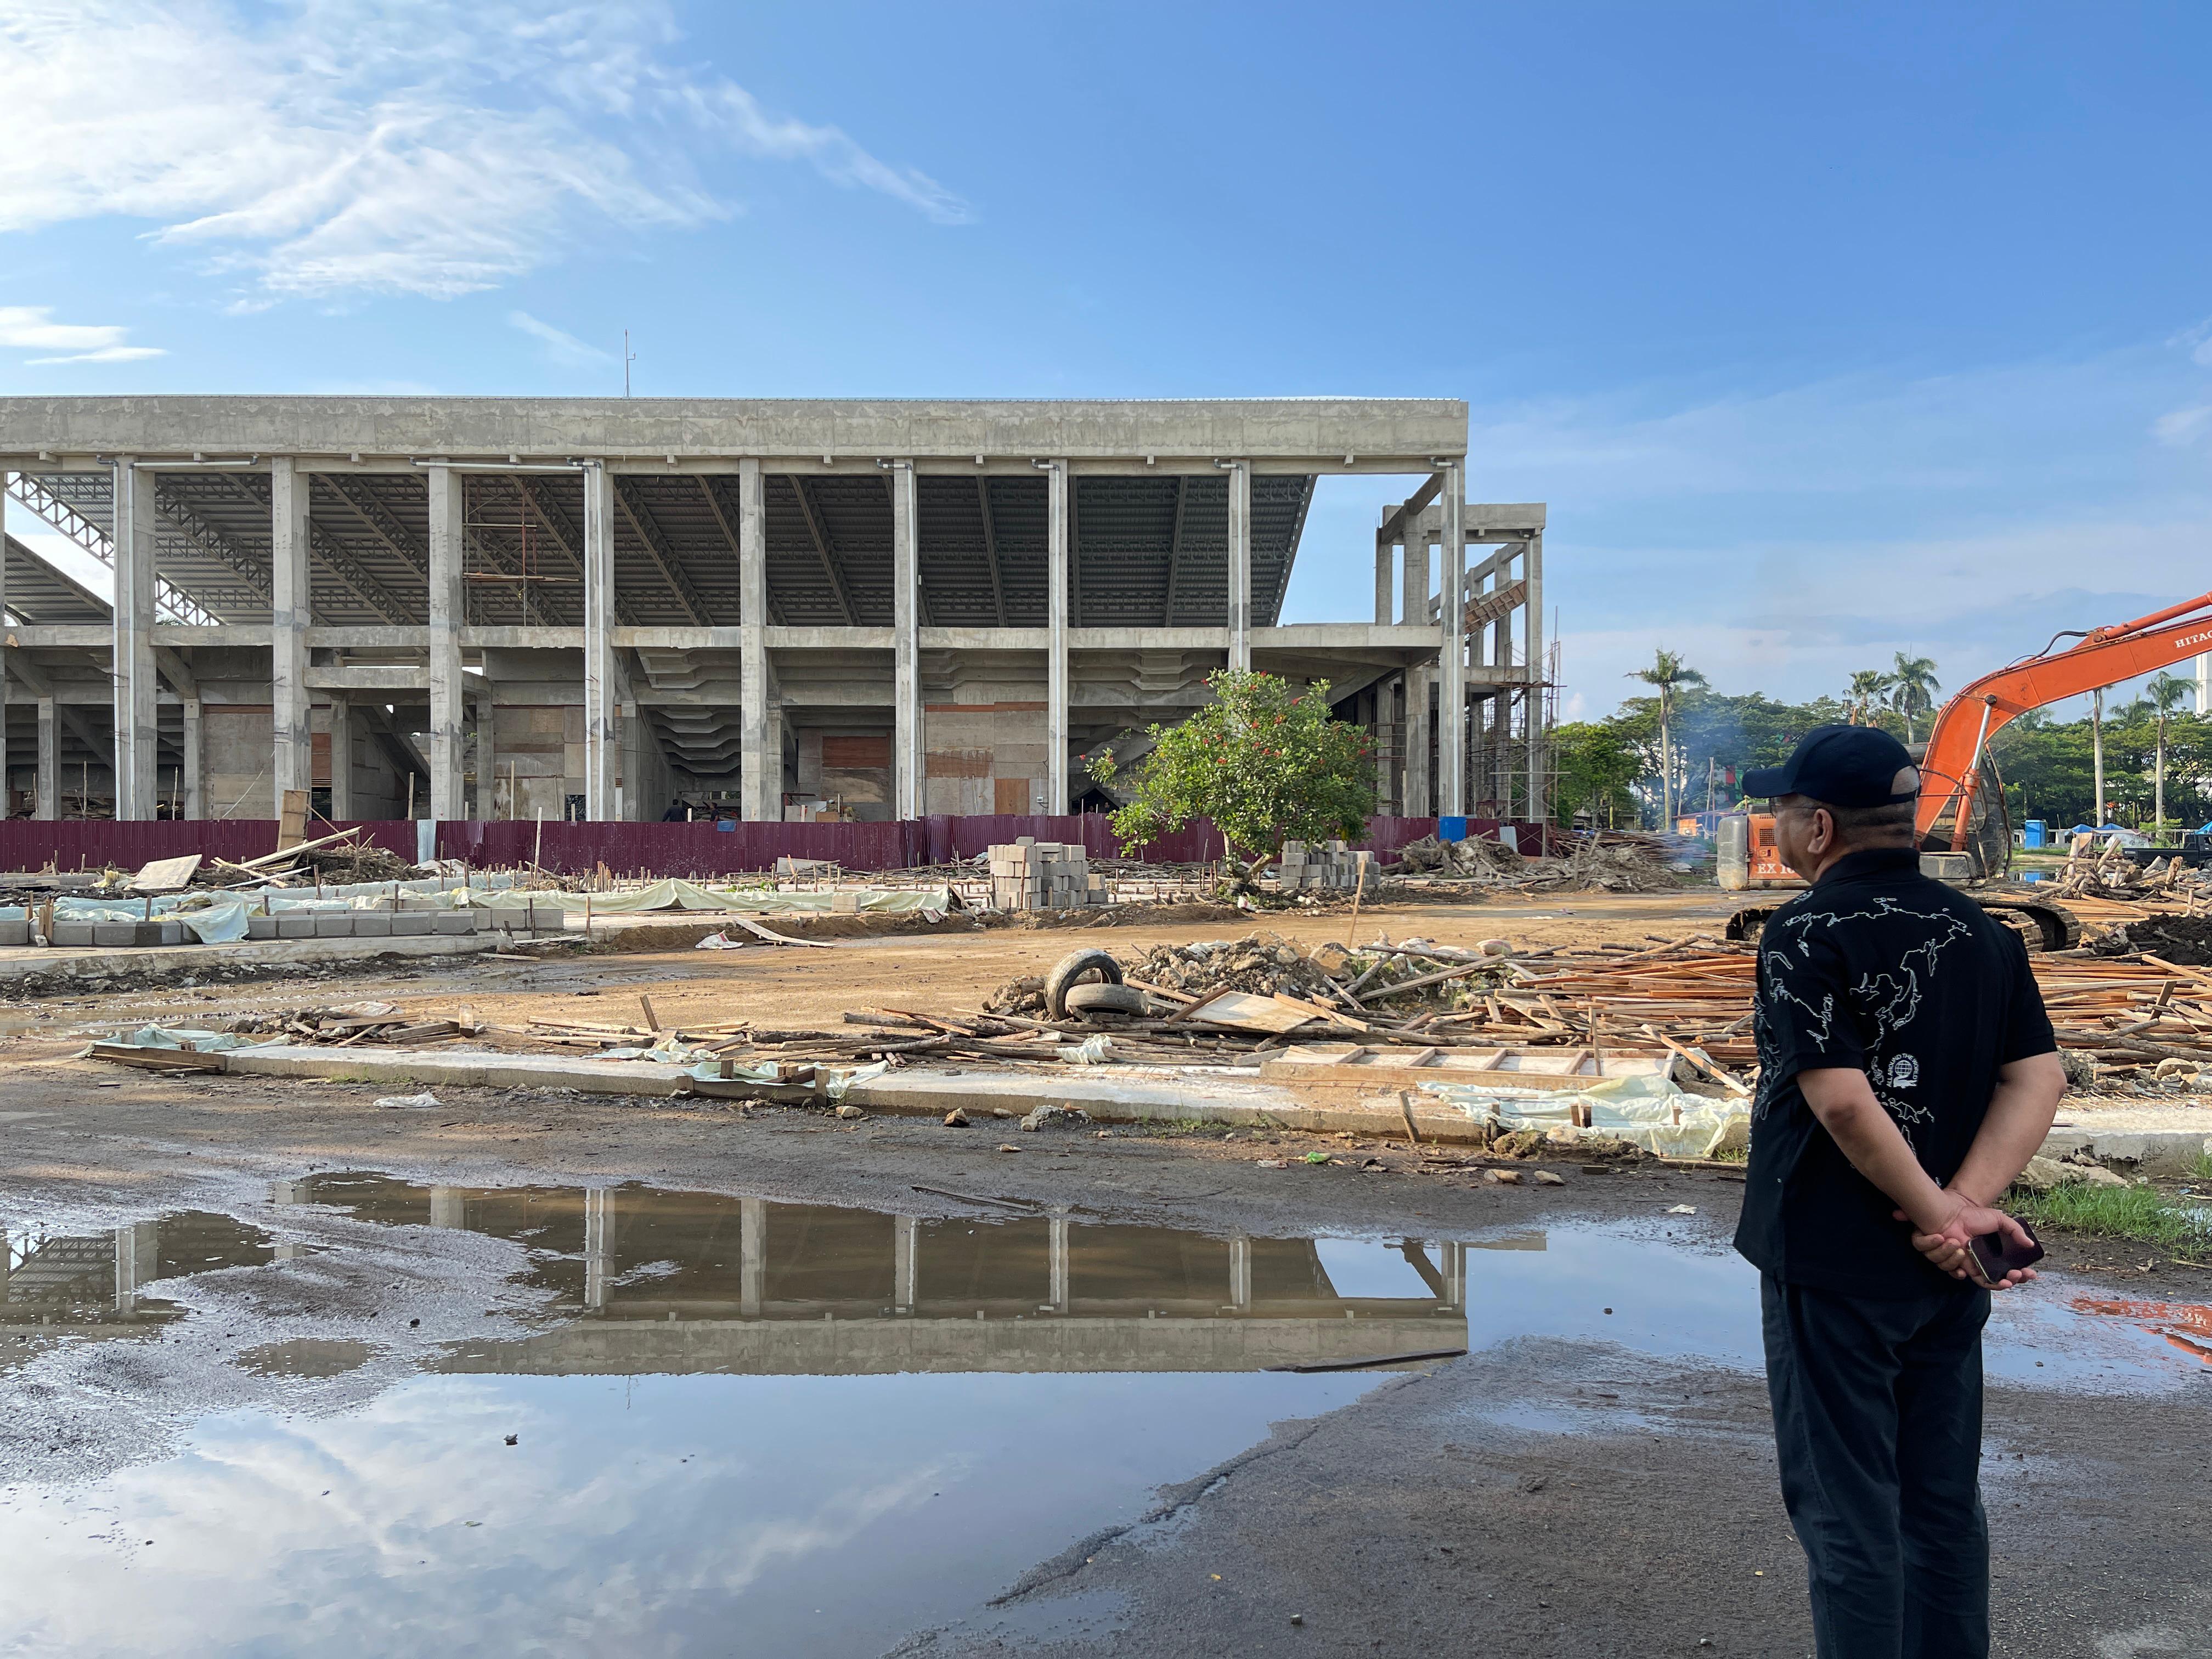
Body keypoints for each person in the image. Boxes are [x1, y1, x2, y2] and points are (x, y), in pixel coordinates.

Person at [1734, 723, 2067, 1659]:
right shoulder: (1987, 934)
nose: (1778, 826)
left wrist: (1939, 1217)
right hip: (1947, 1274)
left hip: (1832, 1259)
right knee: (1939, 1501)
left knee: (1848, 1513)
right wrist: (1966, 1211)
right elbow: (2038, 1078)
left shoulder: (1805, 934)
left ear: (1822, 827)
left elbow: (1841, 1103)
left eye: (1783, 811)